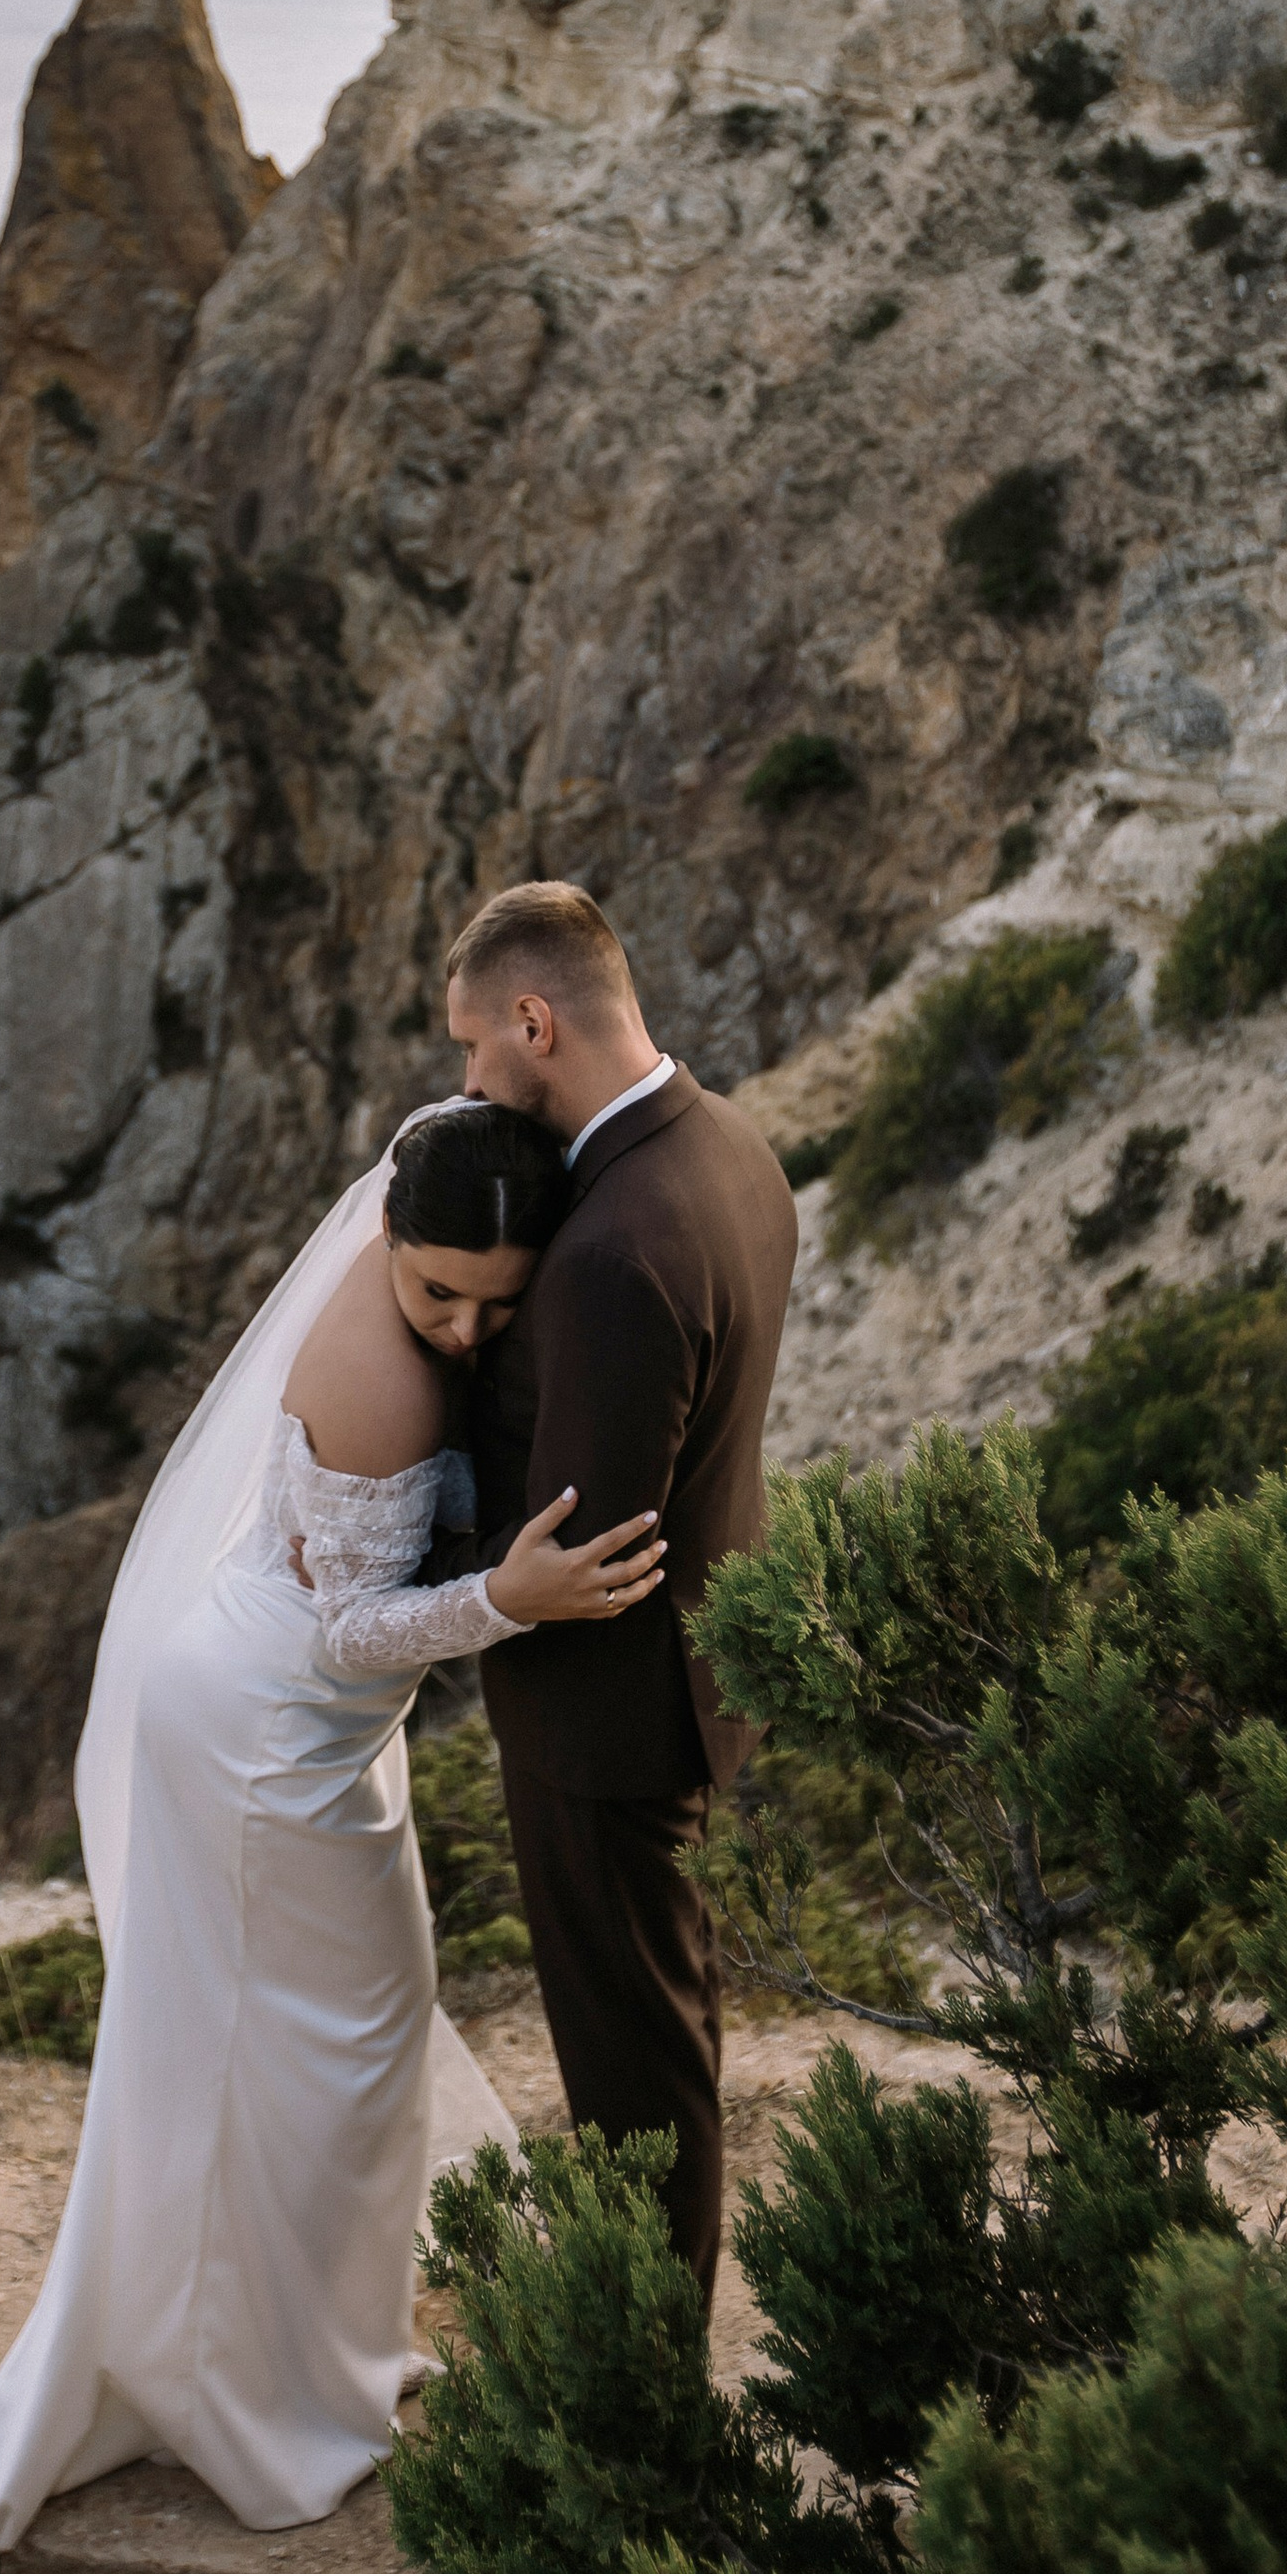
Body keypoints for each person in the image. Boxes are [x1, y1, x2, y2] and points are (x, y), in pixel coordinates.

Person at [0, 1099, 664, 2574]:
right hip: (270, 1739)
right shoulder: (386, 1382)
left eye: (497, 1303)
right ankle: (257, 2404)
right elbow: (351, 1631)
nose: (466, 1329)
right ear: (388, 1243)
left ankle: (299, 2364)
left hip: (295, 1732)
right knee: (303, 2059)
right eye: (438, 1293)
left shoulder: (420, 1298)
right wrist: (509, 1603)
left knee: (332, 2057)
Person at [448, 881, 798, 2294]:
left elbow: (572, 1545)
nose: (467, 1082)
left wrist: (412, 1574)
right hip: (700, 1676)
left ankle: (644, 2393)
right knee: (666, 2024)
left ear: (537, 1023)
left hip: (606, 1718)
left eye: (474, 1049)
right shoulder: (734, 1150)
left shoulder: (606, 1253)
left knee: (634, 2074)